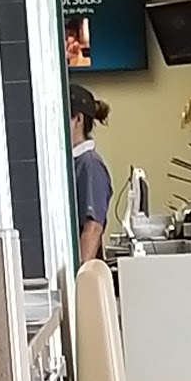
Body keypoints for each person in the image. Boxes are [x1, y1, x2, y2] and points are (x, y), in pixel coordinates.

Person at [70, 83, 114, 264]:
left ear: (78, 119)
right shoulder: (72, 163)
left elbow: (93, 228)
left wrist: (78, 275)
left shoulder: (90, 165)